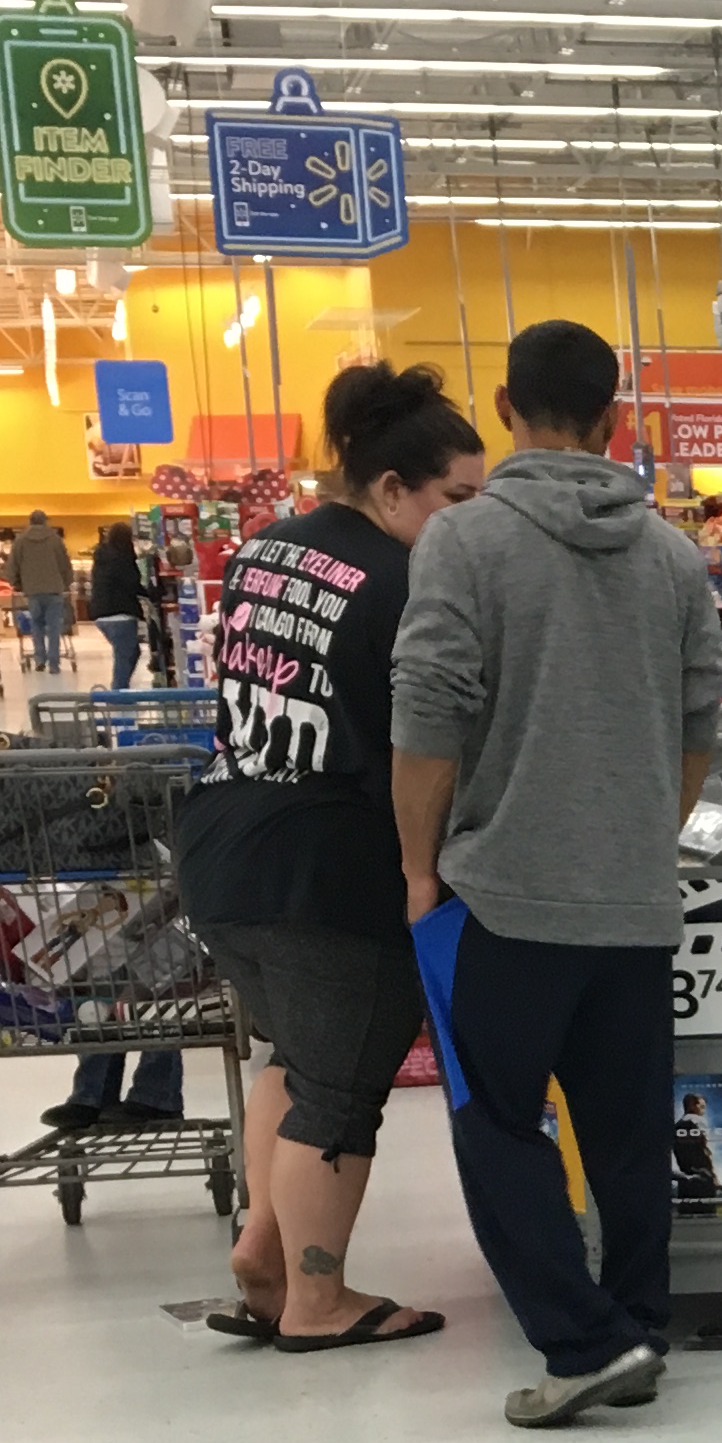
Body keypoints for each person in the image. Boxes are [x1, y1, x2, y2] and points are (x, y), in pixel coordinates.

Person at [392, 319, 722, 1429]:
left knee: (496, 1121)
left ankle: (583, 1344)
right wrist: (644, 836)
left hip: (502, 894)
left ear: (504, 408)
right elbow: (700, 720)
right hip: (634, 901)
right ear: (615, 417)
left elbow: (427, 718)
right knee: (629, 1134)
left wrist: (417, 870)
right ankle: (636, 1328)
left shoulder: (463, 541)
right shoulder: (673, 555)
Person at [171, 357, 489, 1351]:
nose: (469, 523)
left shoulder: (266, 549)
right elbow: (419, 747)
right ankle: (318, 1300)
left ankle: (263, 1253)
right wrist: (425, 866)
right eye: (457, 500)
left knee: (295, 1060)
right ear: (393, 489)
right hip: (327, 867)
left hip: (224, 845)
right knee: (343, 1089)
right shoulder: (406, 584)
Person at [11, 508, 75, 675]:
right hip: (54, 590)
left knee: (36, 625)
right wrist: (66, 583)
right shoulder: (55, 539)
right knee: (54, 627)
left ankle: (40, 659)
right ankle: (54, 663)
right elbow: (64, 564)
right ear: (45, 521)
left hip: (32, 591)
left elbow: (13, 565)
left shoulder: (21, 540)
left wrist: (18, 585)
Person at [90, 518, 147, 687]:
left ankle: (121, 687)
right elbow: (131, 583)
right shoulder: (123, 557)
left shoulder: (101, 557)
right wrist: (151, 593)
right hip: (121, 615)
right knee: (123, 656)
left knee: (132, 652)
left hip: (100, 614)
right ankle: (118, 693)